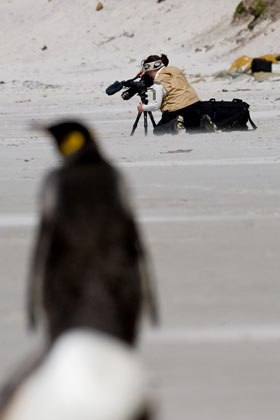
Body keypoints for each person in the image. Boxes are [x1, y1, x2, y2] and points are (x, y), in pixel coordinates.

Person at [137, 54, 211, 134]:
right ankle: (203, 124)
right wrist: (145, 69)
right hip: (196, 105)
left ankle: (174, 125)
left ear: (150, 70)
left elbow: (156, 106)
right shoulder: (174, 70)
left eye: (148, 73)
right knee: (191, 128)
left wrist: (143, 107)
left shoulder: (157, 84)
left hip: (178, 110)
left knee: (158, 131)